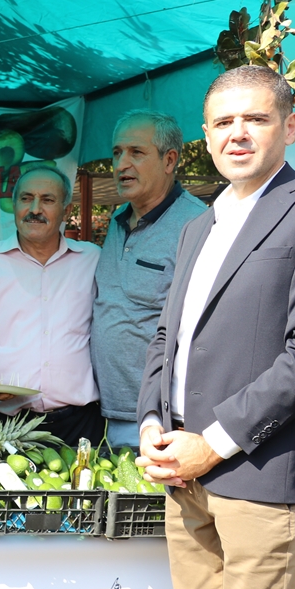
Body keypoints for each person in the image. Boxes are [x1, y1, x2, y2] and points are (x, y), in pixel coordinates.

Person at [136, 65, 295, 589]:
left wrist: (214, 441)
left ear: (289, 126)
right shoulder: (199, 226)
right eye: (224, 122)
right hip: (183, 474)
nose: (238, 133)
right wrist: (152, 422)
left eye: (255, 118)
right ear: (205, 136)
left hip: (260, 473)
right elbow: (167, 337)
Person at [0, 166, 103, 445]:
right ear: (14, 205)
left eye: (47, 200)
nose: (35, 209)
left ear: (66, 211)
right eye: (26, 198)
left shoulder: (94, 261)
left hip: (79, 424)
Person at [92, 110, 207, 448]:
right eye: (117, 153)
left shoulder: (198, 225)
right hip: (102, 413)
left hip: (159, 420)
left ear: (169, 160)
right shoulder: (117, 220)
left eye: (136, 152)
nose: (121, 164)